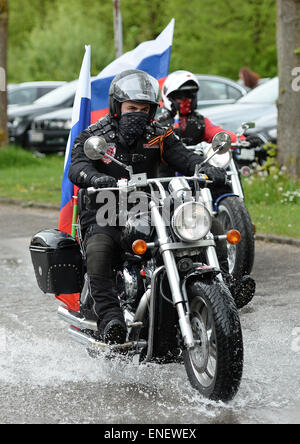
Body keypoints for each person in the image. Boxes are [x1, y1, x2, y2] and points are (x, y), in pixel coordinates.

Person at [68, 69, 227, 345]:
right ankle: (111, 319)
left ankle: (225, 287)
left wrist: (206, 168)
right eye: (132, 107)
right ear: (118, 107)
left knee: (206, 225)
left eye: (144, 108)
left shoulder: (159, 135)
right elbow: (78, 166)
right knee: (99, 250)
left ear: (153, 110)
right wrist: (96, 178)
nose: (138, 113)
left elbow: (184, 158)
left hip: (151, 204)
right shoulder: (97, 136)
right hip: (106, 209)